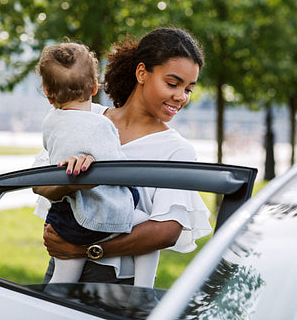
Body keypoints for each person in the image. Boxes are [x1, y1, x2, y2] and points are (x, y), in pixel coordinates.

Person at [33, 27, 212, 287]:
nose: (180, 97)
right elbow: (40, 184)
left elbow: (166, 231)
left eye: (189, 89)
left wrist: (86, 250)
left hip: (117, 287)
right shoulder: (84, 116)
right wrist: (73, 180)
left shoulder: (176, 149)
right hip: (61, 264)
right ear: (142, 73)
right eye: (172, 84)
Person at [36, 41, 146, 284]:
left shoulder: (50, 123)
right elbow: (116, 168)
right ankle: (144, 291)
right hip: (100, 217)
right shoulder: (102, 124)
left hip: (64, 219)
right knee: (144, 223)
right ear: (95, 87)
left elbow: (43, 171)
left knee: (61, 283)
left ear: (48, 93)